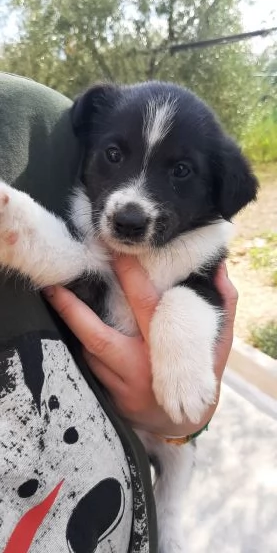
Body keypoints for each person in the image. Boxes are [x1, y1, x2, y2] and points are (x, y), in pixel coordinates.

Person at [0, 73, 238, 553]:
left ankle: (169, 525)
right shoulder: (86, 212)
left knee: (177, 462)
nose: (133, 203)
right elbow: (72, 263)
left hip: (150, 450)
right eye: (115, 154)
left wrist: (179, 423)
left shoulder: (198, 246)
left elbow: (202, 299)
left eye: (181, 171)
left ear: (219, 187)